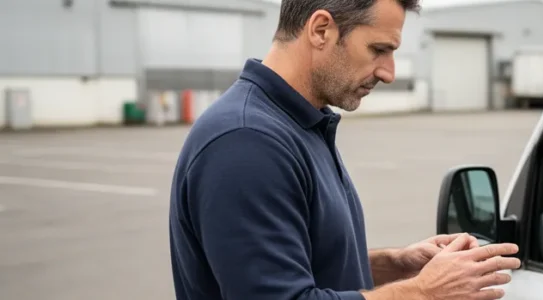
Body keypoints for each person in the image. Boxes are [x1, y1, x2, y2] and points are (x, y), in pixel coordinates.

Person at [168, 0, 521, 299]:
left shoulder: (302, 123)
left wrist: (395, 263)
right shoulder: (246, 142)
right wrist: (423, 292)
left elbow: (300, 262)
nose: (388, 72)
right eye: (379, 50)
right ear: (321, 30)